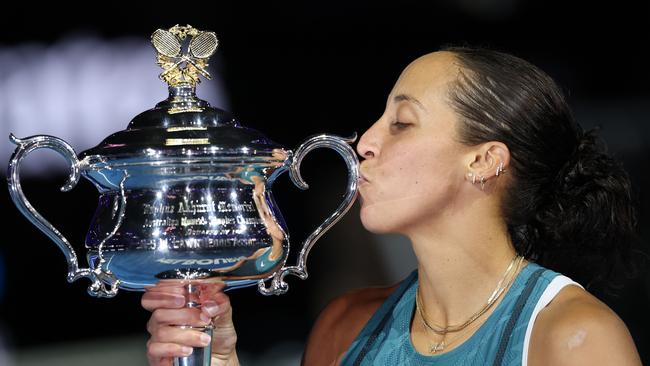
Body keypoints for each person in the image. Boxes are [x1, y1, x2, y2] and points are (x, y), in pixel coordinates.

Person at [142, 47, 643, 365]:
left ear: (485, 160)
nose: (366, 141)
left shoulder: (574, 338)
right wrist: (217, 358)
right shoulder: (344, 326)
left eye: (401, 123)